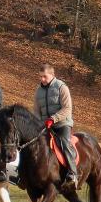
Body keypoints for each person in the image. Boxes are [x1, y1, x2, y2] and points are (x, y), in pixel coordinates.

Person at [33, 63, 77, 191]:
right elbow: (36, 110)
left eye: (44, 77)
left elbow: (67, 108)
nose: (42, 79)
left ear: (52, 75)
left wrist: (53, 119)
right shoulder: (38, 91)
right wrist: (38, 122)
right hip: (45, 125)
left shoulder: (61, 87)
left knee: (64, 143)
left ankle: (72, 174)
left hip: (62, 123)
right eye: (40, 77)